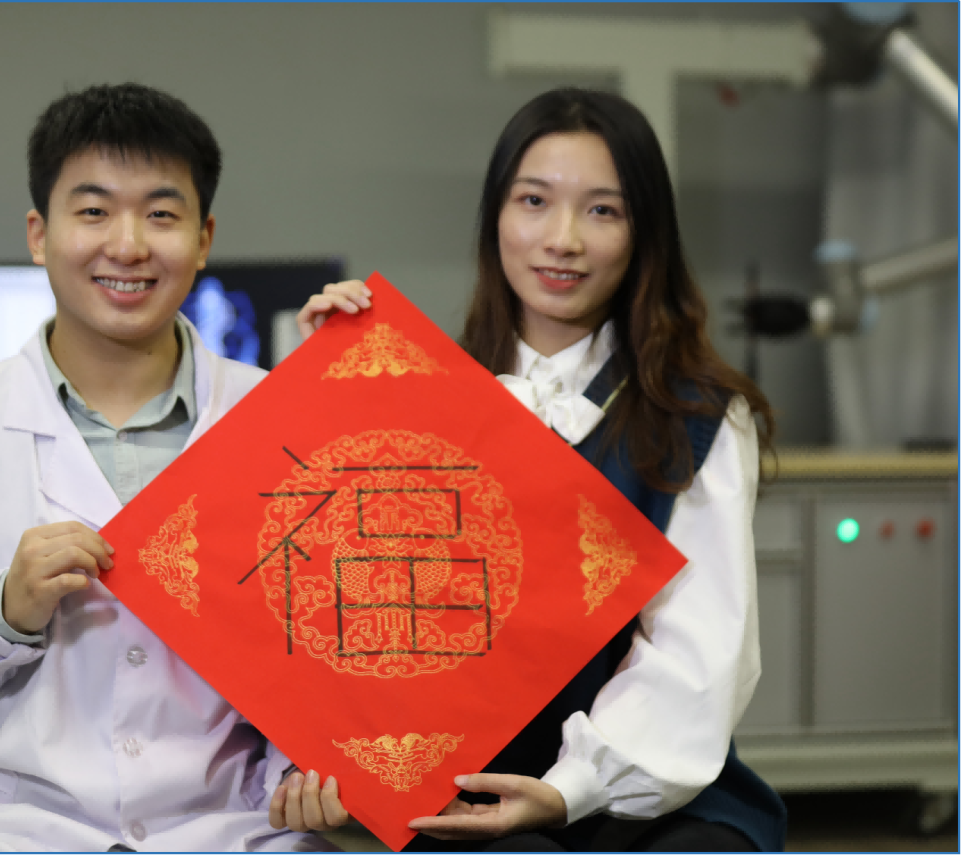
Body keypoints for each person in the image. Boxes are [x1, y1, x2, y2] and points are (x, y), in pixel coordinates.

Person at [0, 82, 344, 851]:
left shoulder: (291, 427)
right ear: (40, 234)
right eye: (94, 210)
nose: (127, 246)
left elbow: (346, 642)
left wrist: (311, 762)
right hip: (9, 831)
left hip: (237, 828)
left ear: (203, 239)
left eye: (161, 214)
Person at [287, 87, 787, 851]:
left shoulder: (698, 416)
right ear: (496, 217)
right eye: (534, 201)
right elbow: (345, 600)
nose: (563, 239)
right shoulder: (422, 397)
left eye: (603, 210)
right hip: (466, 784)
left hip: (648, 786)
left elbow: (700, 653)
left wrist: (570, 788)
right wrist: (330, 383)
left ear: (645, 233)